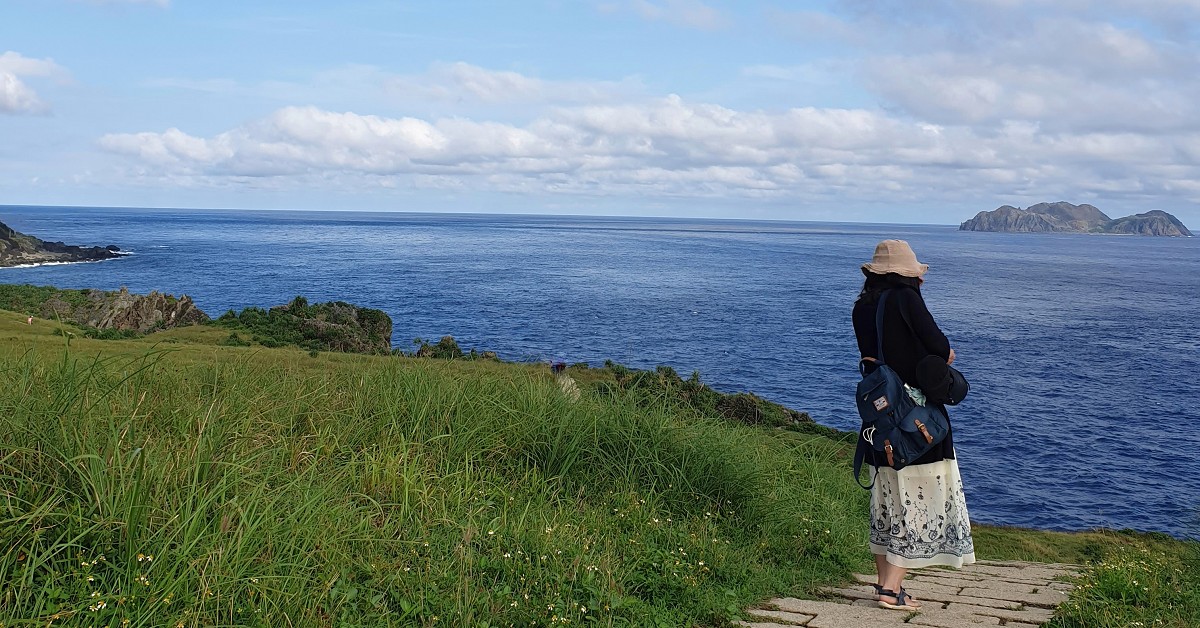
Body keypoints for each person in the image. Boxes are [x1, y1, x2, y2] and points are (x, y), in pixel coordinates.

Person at [851, 239, 975, 611]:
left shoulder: (862, 307)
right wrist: (943, 355)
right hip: (916, 416)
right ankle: (891, 591)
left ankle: (885, 586)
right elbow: (938, 346)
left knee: (887, 499)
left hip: (879, 416)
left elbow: (874, 356)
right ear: (906, 274)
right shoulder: (906, 299)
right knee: (918, 497)